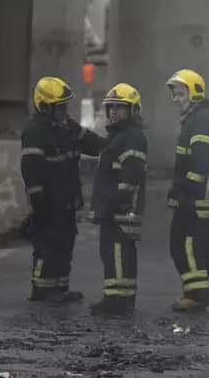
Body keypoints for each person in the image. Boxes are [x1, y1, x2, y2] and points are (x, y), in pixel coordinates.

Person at [20, 77, 104, 303]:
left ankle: (60, 288)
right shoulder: (36, 131)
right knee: (47, 245)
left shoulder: (66, 127)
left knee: (65, 244)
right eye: (59, 106)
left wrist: (109, 144)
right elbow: (30, 169)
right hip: (48, 202)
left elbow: (95, 145)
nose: (63, 110)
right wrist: (38, 201)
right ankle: (41, 290)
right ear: (44, 105)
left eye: (65, 105)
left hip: (67, 201)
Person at [165, 69, 209, 311]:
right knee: (194, 245)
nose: (175, 99)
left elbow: (199, 164)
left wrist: (184, 194)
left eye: (180, 94)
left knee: (184, 243)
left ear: (195, 95)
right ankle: (197, 292)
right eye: (174, 94)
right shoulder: (196, 118)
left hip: (198, 199)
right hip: (200, 198)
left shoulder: (200, 121)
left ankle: (197, 296)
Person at [88, 83, 148, 315]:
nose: (113, 111)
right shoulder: (119, 136)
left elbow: (132, 170)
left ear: (132, 110)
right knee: (116, 252)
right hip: (114, 207)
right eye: (111, 107)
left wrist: (121, 199)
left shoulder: (131, 136)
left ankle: (117, 301)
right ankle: (120, 298)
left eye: (120, 108)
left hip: (120, 209)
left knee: (116, 252)